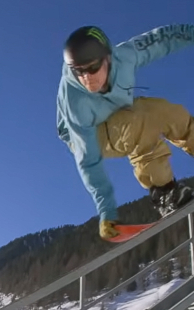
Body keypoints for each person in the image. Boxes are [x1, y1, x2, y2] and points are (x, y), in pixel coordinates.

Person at [57, 24, 194, 240]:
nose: (86, 78)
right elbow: (88, 160)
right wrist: (106, 210)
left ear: (107, 58)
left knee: (165, 111)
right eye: (78, 71)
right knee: (137, 123)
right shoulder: (75, 100)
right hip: (86, 137)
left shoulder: (126, 56)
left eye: (92, 68)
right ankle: (165, 193)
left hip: (120, 115)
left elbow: (161, 40)